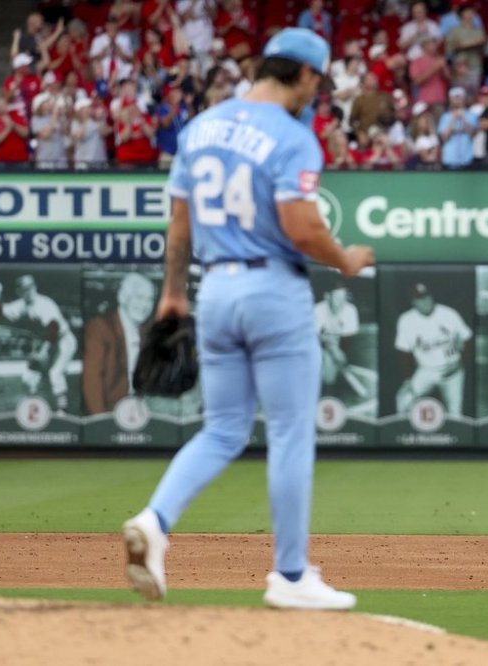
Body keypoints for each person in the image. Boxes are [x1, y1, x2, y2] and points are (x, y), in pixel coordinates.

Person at [121, 27, 375, 611]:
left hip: (214, 290)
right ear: (305, 75)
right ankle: (290, 576)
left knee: (223, 429)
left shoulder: (199, 128)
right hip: (271, 289)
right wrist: (347, 260)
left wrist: (171, 294)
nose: (317, 91)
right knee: (288, 432)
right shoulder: (292, 135)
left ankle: (154, 521)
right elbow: (303, 227)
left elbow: (180, 225)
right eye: (318, 80)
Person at [0, 274, 77, 413]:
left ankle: (62, 411)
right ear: (19, 292)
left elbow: (54, 327)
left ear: (35, 287)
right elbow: (2, 313)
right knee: (28, 377)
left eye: (31, 287)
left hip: (64, 341)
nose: (29, 290)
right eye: (25, 288)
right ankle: (37, 406)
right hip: (48, 342)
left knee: (55, 373)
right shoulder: (22, 304)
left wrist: (44, 350)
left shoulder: (44, 304)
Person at [83, 273, 158, 415]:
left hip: (142, 410)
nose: (145, 305)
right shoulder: (100, 328)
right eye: (139, 297)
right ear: (122, 298)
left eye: (150, 299)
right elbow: (92, 380)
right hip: (110, 413)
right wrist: (100, 421)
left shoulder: (150, 329)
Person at [394, 282, 473, 417]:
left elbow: (468, 339)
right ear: (413, 302)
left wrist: (460, 361)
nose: (425, 302)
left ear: (432, 297)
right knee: (403, 401)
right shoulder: (406, 320)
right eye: (419, 299)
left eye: (427, 297)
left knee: (455, 414)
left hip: (452, 371)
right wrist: (407, 379)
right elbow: (404, 352)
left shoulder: (449, 314)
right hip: (426, 370)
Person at [314, 278, 361, 390]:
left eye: (343, 298)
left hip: (339, 344)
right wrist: (332, 350)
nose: (342, 302)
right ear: (327, 296)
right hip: (320, 345)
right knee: (328, 378)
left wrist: (340, 354)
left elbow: (347, 340)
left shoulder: (351, 310)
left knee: (333, 374)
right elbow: (316, 339)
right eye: (337, 298)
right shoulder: (317, 310)